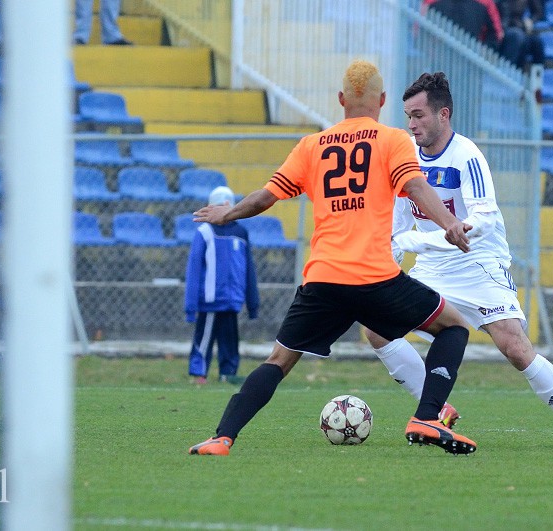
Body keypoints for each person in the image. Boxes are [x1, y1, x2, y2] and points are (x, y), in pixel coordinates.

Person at [189, 60, 479, 457]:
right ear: (382, 100)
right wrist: (449, 222)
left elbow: (265, 196)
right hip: (375, 278)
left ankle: (222, 437)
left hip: (323, 279)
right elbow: (415, 187)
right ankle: (427, 416)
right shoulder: (392, 140)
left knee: (278, 361)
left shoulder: (312, 146)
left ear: (341, 100)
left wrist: (228, 212)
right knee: (454, 327)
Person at [364, 72, 553, 451]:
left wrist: (411, 240)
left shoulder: (467, 155)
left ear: (444, 114)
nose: (411, 124)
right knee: (376, 327)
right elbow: (399, 221)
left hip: (477, 263)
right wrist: (391, 257)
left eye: (419, 115)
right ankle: (434, 409)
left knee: (515, 348)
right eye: (408, 115)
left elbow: (483, 223)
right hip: (433, 268)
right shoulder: (404, 154)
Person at [185, 186, 259, 385]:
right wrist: (190, 306)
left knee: (230, 340)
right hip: (210, 300)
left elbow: (249, 269)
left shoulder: (241, 233)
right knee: (204, 337)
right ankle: (199, 373)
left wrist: (253, 303)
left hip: (232, 300)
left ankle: (228, 373)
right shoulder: (204, 231)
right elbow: (193, 270)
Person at [496, 0, 545, 70]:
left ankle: (537, 76)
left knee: (537, 42)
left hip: (520, 27)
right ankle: (506, 72)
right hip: (502, 28)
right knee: (517, 36)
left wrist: (531, 20)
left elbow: (538, 13)